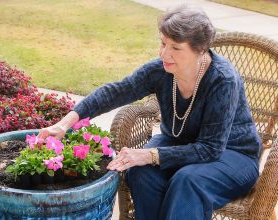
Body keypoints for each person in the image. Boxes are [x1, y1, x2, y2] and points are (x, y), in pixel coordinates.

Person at [38, 4, 262, 220]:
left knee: (187, 182)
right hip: (178, 145)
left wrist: (150, 155)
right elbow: (116, 91)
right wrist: (65, 123)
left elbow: (210, 149)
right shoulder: (160, 70)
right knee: (140, 172)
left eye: (175, 48)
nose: (165, 54)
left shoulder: (223, 80)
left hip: (232, 155)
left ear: (200, 49)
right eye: (163, 43)